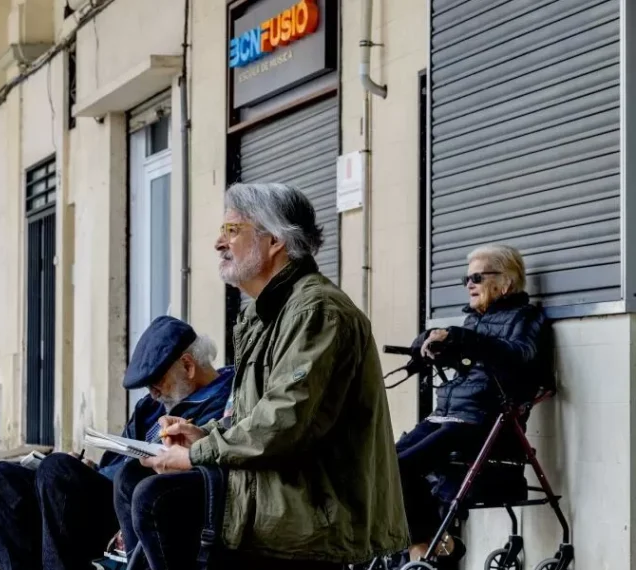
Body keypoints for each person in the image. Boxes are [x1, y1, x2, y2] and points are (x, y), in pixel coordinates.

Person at [114, 182, 409, 569]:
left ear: (275, 241)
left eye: (232, 230)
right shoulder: (263, 314)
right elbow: (253, 415)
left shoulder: (316, 310)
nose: (219, 243)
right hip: (271, 483)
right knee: (131, 480)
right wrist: (204, 435)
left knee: (158, 500)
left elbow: (285, 418)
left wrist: (199, 453)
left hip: (309, 502)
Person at [0, 316, 233, 570]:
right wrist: (89, 467)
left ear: (188, 366)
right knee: (0, 477)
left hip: (142, 503)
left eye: (157, 382)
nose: (153, 393)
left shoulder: (226, 401)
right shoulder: (150, 407)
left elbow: (211, 463)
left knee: (56, 470)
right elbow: (118, 458)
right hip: (110, 491)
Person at [396, 244, 551, 566]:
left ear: (505, 283)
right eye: (466, 278)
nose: (469, 284)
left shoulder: (526, 318)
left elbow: (520, 354)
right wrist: (427, 343)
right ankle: (434, 544)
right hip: (447, 416)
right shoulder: (474, 321)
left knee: (402, 467)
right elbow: (465, 349)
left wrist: (462, 339)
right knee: (384, 465)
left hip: (481, 420)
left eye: (477, 277)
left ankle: (426, 546)